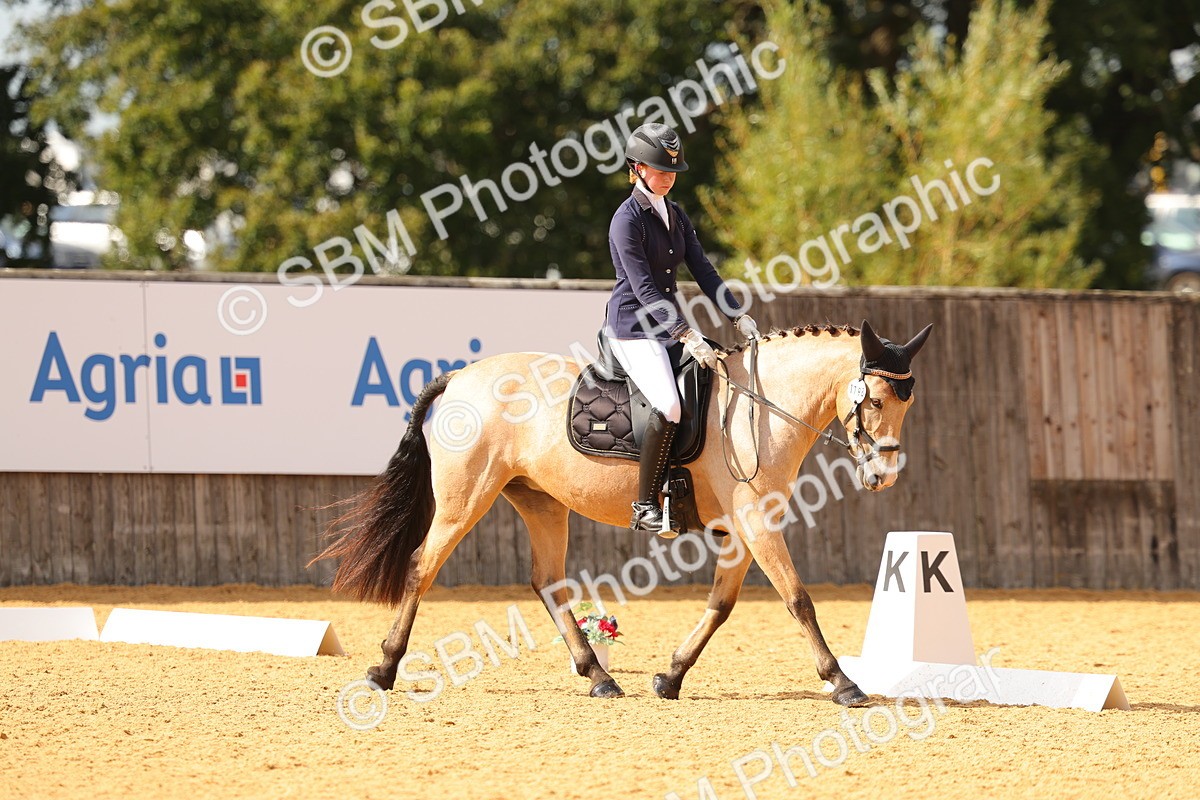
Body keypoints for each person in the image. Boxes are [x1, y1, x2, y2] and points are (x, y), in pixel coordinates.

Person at [603, 122, 760, 535]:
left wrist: (736, 315)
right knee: (669, 407)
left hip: (664, 325)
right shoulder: (627, 220)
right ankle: (643, 505)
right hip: (633, 327)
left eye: (673, 170)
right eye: (659, 169)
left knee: (715, 378)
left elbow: (704, 271)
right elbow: (644, 288)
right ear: (636, 168)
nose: (669, 176)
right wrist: (686, 335)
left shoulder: (675, 214)